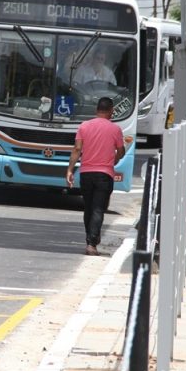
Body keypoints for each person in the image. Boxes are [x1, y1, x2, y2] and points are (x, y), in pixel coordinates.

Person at [66, 97, 125, 256]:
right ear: (111, 111)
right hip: (104, 174)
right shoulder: (115, 129)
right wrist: (115, 158)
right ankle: (92, 243)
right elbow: (121, 151)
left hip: (86, 173)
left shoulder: (84, 126)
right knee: (98, 208)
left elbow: (77, 149)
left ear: (96, 110)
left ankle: (90, 238)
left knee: (89, 208)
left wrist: (70, 170)